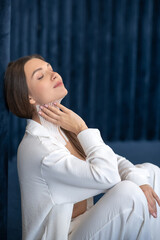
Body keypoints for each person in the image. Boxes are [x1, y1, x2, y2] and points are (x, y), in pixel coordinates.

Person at [4, 54, 160, 240]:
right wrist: (81, 128)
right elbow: (107, 176)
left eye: (50, 68)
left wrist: (140, 181)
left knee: (150, 174)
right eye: (41, 76)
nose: (53, 74)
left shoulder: (61, 127)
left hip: (83, 224)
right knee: (130, 194)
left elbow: (114, 161)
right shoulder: (38, 149)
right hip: (65, 235)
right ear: (29, 97)